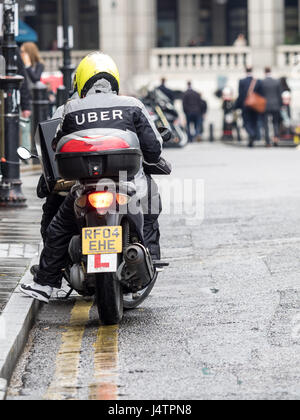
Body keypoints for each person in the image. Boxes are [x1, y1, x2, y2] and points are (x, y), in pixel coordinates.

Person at [20, 52, 164, 303]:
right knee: (151, 204)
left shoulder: (71, 108)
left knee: (59, 227)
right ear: (114, 80)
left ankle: (45, 284)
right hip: (127, 185)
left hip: (85, 187)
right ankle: (150, 257)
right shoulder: (133, 104)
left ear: (81, 81)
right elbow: (153, 148)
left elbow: (56, 145)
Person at [235, 67, 264, 148]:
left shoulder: (242, 81)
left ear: (245, 71)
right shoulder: (258, 81)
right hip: (255, 106)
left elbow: (240, 95)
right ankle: (253, 135)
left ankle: (251, 134)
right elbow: (261, 94)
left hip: (246, 106)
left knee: (246, 122)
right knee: (254, 122)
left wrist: (237, 106)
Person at [261, 67, 282, 147]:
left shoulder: (262, 82)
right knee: (275, 123)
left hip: (265, 105)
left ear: (264, 72)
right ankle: (276, 139)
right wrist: (280, 105)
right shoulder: (276, 81)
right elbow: (280, 95)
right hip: (275, 105)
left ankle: (267, 141)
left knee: (265, 124)